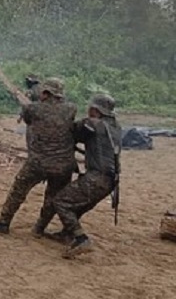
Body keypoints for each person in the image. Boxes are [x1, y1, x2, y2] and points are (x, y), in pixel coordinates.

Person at [0, 78, 77, 235]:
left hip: (38, 162)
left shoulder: (32, 109)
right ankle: (39, 228)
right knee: (52, 197)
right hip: (63, 164)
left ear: (45, 93)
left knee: (18, 190)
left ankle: (4, 223)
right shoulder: (71, 109)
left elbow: (29, 117)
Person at [52, 94, 121, 259]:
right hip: (111, 183)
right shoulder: (115, 127)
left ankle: (80, 238)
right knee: (77, 205)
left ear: (96, 110)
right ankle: (66, 233)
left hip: (97, 178)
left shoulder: (93, 124)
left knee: (61, 202)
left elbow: (71, 130)